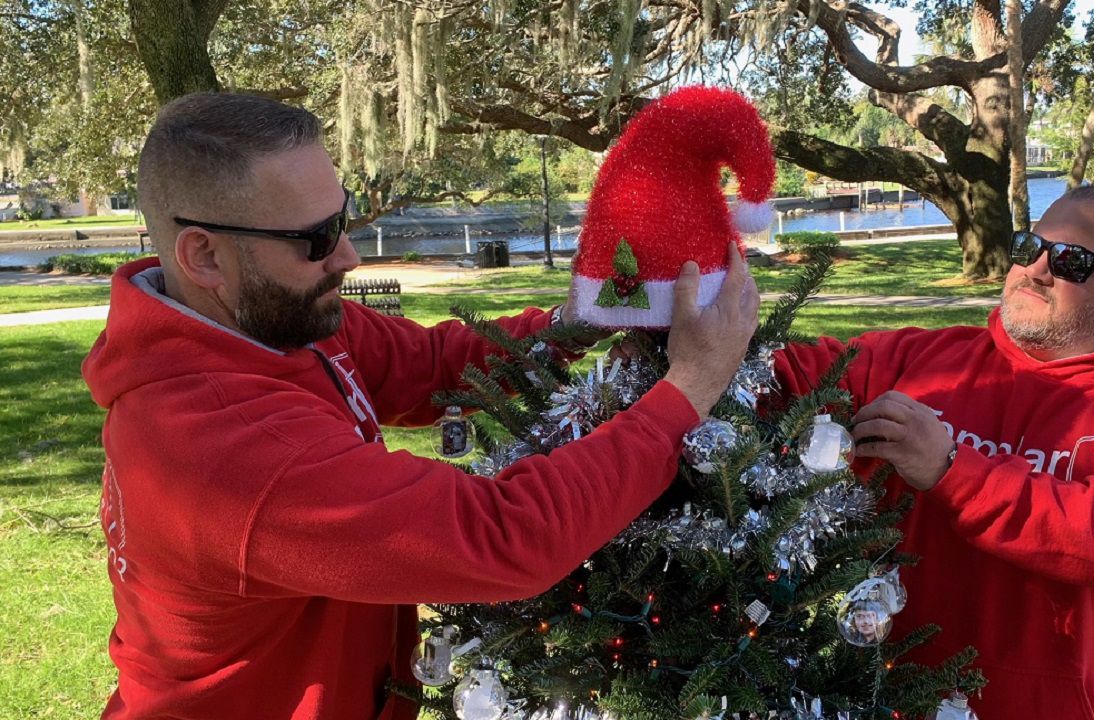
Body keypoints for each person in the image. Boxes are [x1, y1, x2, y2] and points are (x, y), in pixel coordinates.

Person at [83, 92, 760, 720]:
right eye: (313, 240)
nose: (346, 255)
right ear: (203, 255)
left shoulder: (270, 319)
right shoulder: (221, 445)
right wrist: (691, 386)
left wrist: (590, 313)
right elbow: (503, 536)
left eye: (341, 218)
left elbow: (436, 367)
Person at [771, 184, 1094, 720]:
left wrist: (952, 469)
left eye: (1071, 260)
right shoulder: (916, 360)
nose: (1036, 269)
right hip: (885, 697)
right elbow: (773, 379)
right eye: (1029, 246)